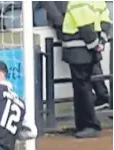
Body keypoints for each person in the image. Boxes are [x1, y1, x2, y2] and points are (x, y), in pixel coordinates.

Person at [39, 1, 111, 111]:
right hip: (69, 22)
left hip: (82, 22)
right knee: (83, 64)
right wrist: (60, 20)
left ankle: (99, 98)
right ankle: (98, 98)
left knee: (86, 63)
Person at [61, 1, 111, 138]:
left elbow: (84, 27)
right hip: (89, 50)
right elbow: (106, 21)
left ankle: (89, 125)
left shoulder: (78, 1)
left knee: (82, 88)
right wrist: (101, 42)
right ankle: (84, 124)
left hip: (78, 50)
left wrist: (95, 44)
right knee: (83, 87)